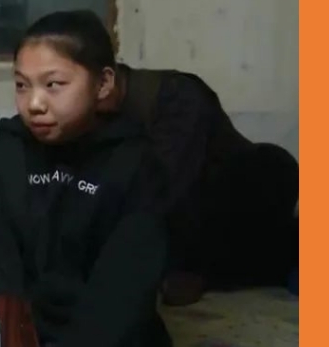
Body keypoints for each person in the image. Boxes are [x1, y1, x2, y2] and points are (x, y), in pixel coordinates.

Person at [0, 10, 184, 347]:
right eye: (21, 85)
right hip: (15, 339)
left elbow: (121, 297)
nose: (34, 103)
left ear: (103, 83)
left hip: (105, 346)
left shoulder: (137, 165)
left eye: (54, 85)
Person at [101, 56, 299, 305]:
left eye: (60, 83)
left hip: (240, 212)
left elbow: (163, 192)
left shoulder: (175, 96)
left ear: (105, 81)